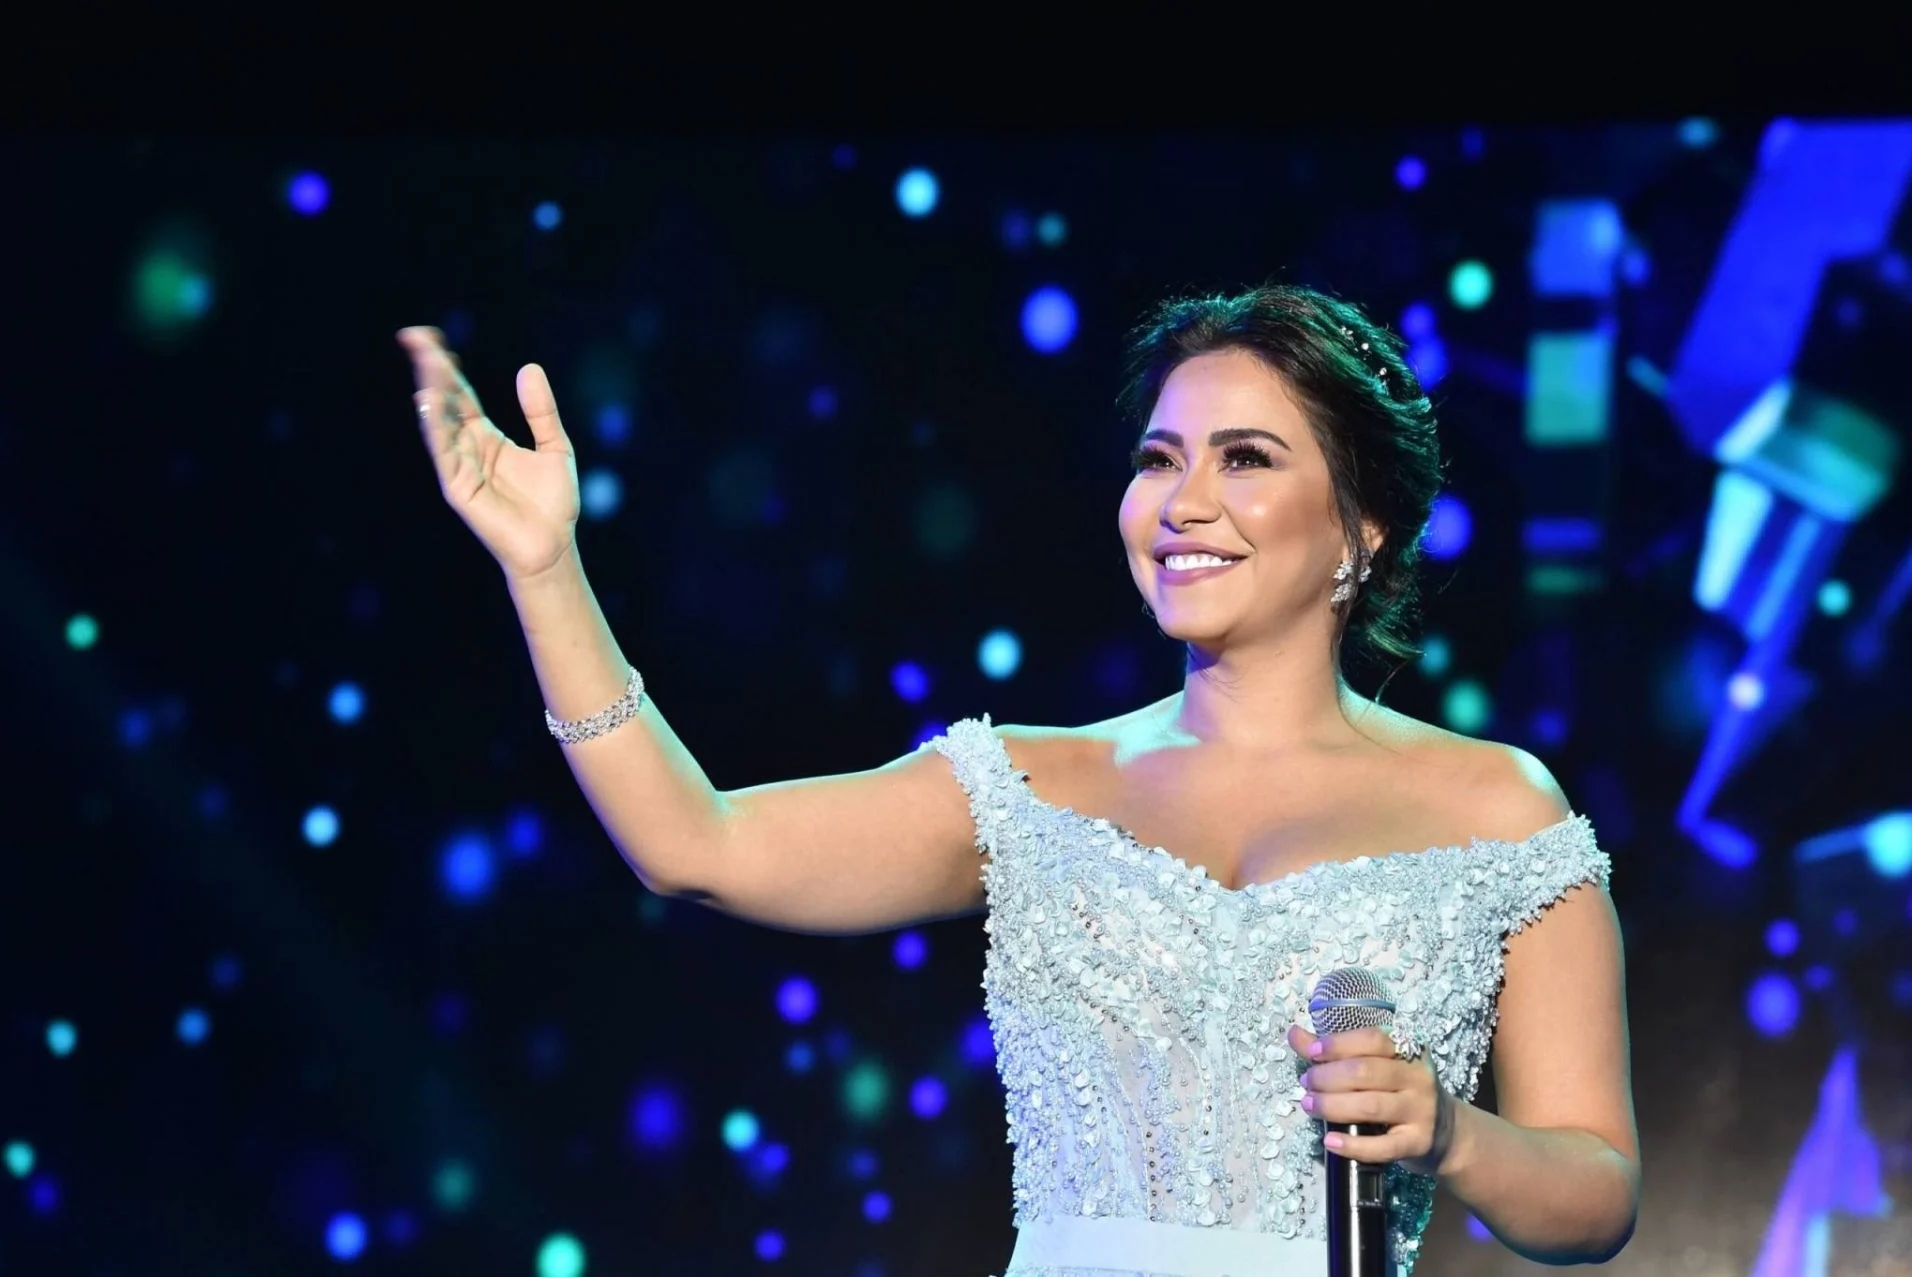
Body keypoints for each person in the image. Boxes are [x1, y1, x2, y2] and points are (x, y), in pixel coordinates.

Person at [397, 282, 1639, 1276]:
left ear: (1360, 529)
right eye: (1159, 458)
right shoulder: (1028, 786)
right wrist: (545, 569)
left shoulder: (1497, 810)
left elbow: (1596, 1192)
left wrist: (1451, 1130)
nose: (1184, 502)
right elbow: (696, 844)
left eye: (1246, 458)